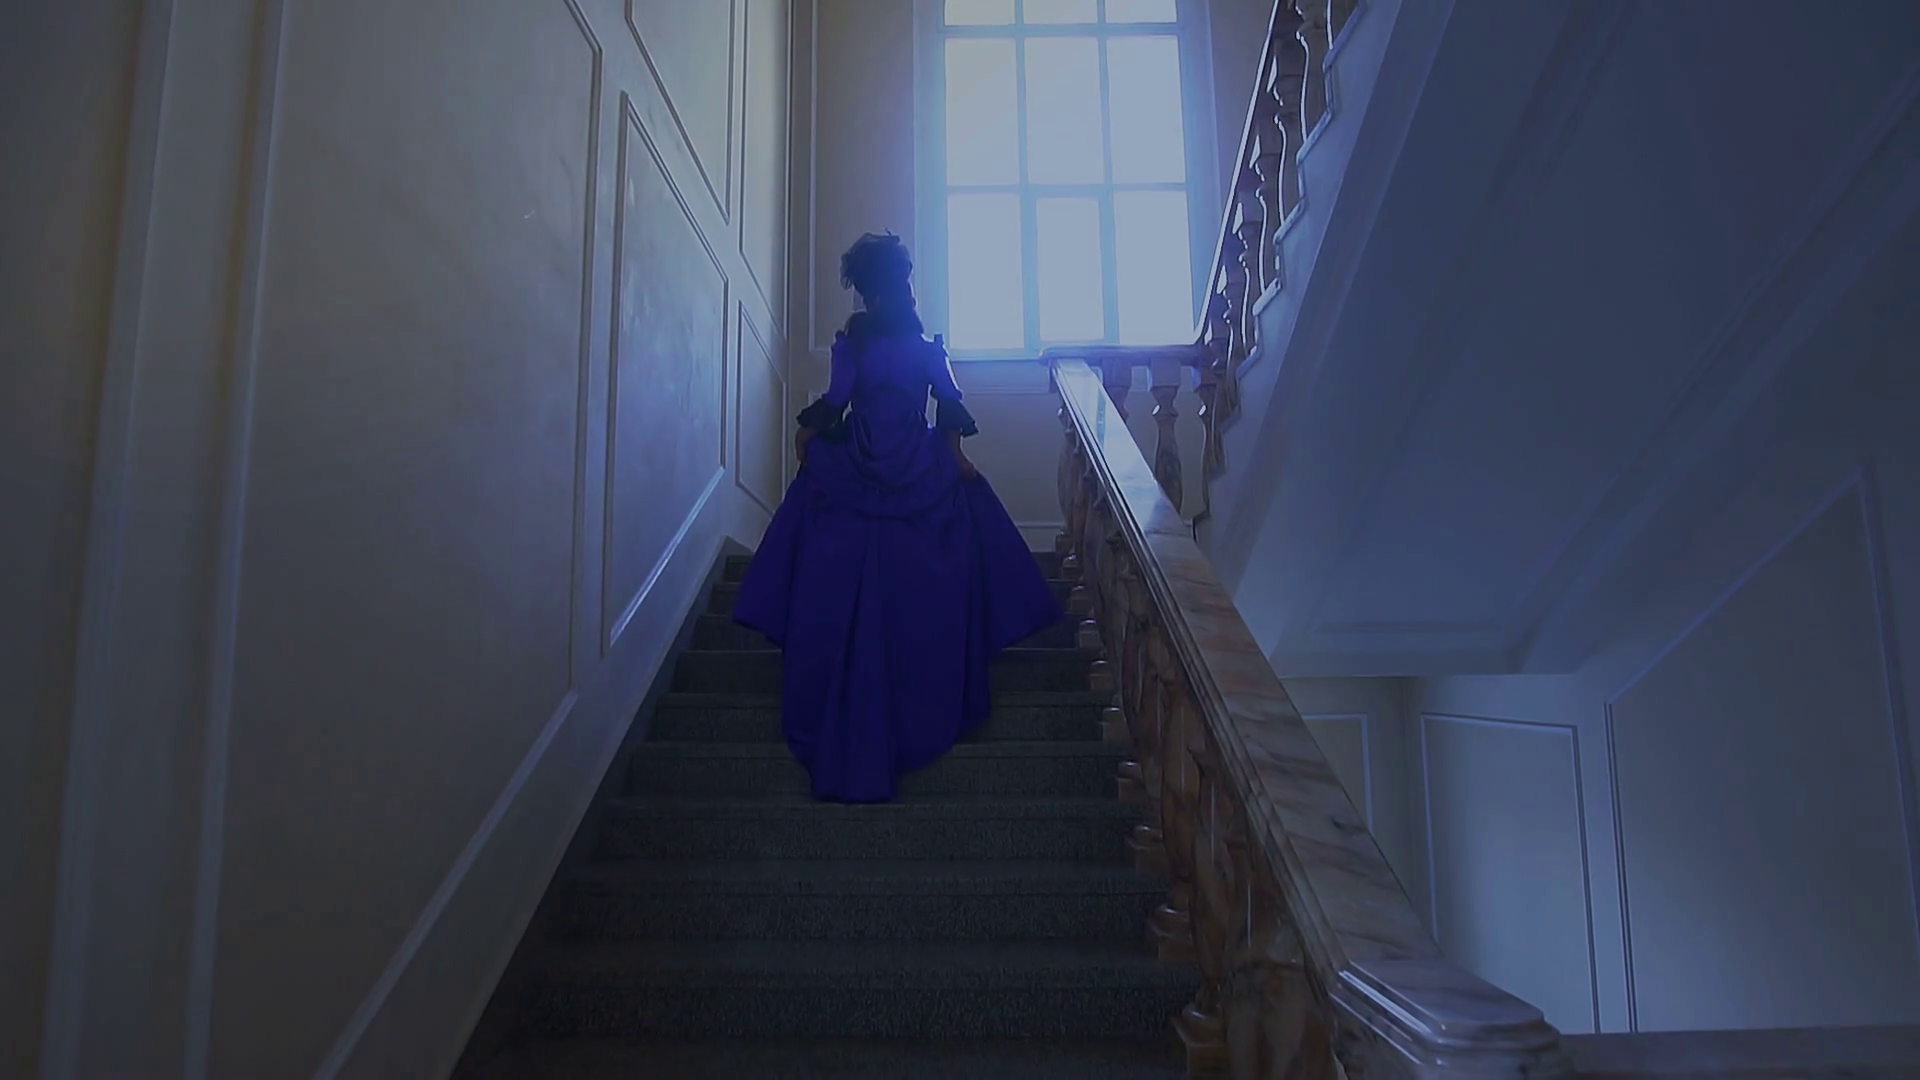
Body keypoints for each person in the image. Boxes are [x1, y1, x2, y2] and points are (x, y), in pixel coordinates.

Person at [731, 232, 1063, 803]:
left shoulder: (853, 346)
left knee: (816, 517)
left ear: (868, 293)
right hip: (916, 463)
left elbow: (836, 400)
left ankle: (840, 669)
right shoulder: (927, 348)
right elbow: (950, 403)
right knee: (962, 527)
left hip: (857, 464)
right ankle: (924, 679)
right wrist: (954, 456)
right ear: (902, 286)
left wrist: (806, 436)